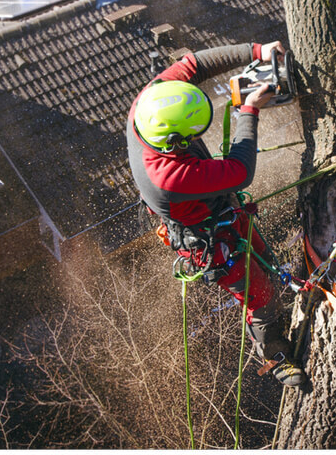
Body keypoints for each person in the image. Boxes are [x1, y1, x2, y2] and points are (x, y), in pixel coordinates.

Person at [126, 41, 307, 387]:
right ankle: (276, 356)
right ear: (175, 142)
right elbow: (240, 169)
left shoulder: (151, 101)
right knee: (260, 296)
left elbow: (194, 64)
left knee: (265, 260)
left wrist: (256, 50)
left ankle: (279, 297)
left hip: (224, 210)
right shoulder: (169, 177)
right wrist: (248, 112)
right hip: (210, 239)